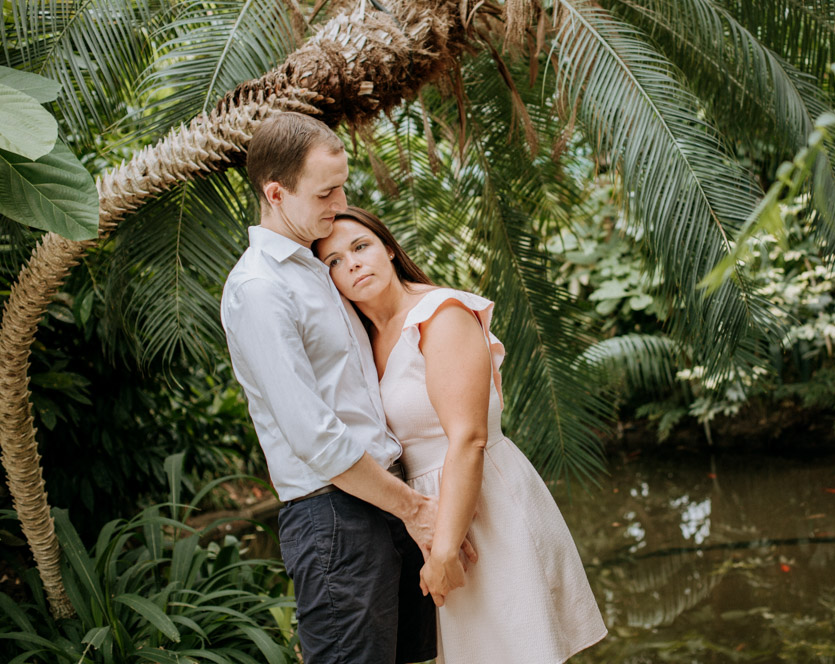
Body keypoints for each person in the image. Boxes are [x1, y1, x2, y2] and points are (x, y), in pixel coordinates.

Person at [221, 113, 472, 664]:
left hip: (387, 502)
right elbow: (314, 436)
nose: (339, 201)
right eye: (326, 191)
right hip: (334, 516)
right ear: (276, 193)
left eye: (342, 186)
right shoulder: (259, 289)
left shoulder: (317, 265)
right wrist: (416, 509)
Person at [315, 206, 608, 664]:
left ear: (389, 249)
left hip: (483, 502)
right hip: (425, 514)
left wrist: (446, 549)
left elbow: (469, 438)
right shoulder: (362, 339)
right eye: (333, 260)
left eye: (359, 246)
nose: (350, 263)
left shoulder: (440, 312)